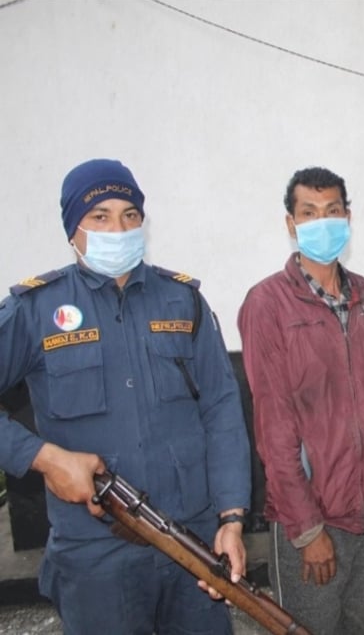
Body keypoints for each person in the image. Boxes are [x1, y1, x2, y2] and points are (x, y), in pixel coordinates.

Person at [0, 159, 252, 634]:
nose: (118, 230)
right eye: (100, 217)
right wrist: (44, 458)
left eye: (130, 215)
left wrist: (232, 519)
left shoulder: (183, 301)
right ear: (72, 229)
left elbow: (221, 410)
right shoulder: (36, 309)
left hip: (191, 542)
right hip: (95, 554)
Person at [238, 166, 364, 635]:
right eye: (309, 213)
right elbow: (274, 430)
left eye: (332, 211)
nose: (322, 222)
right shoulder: (267, 304)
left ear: (348, 217)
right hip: (311, 521)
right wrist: (308, 530)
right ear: (291, 224)